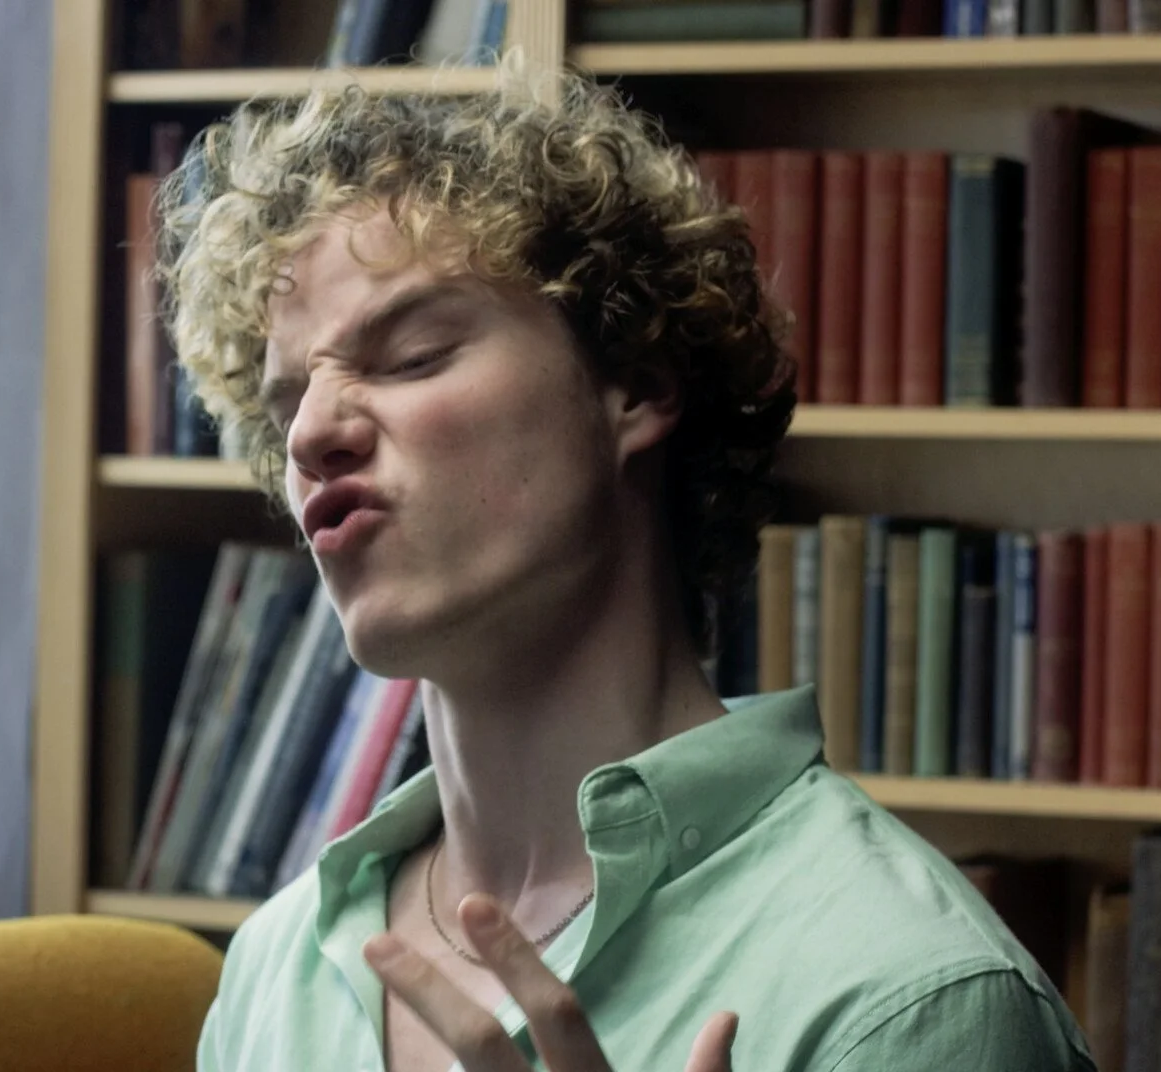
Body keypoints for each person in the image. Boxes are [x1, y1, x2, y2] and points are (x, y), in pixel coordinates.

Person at [155, 57, 1096, 1072]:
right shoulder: (274, 967)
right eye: (287, 398)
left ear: (634, 387)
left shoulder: (910, 998)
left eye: (415, 354)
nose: (313, 434)